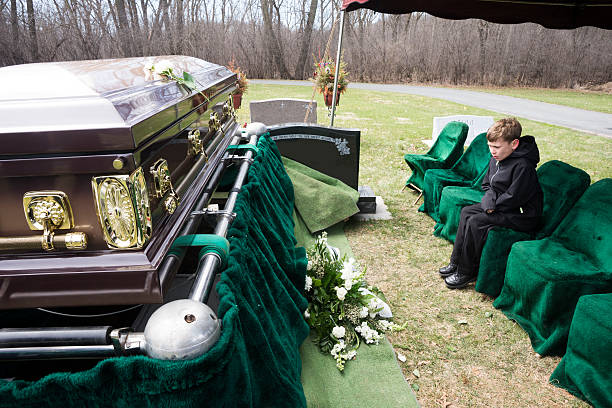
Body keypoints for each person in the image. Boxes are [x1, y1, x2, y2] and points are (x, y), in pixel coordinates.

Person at [439, 118, 543, 289]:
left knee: (476, 221)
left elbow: (514, 197)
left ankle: (466, 271)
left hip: (522, 214)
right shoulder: (497, 158)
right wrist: (488, 202)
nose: (492, 151)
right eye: (490, 146)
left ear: (514, 144)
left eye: (496, 147)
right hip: (500, 205)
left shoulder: (524, 166)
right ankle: (456, 262)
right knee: (466, 212)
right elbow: (487, 184)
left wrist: (490, 207)